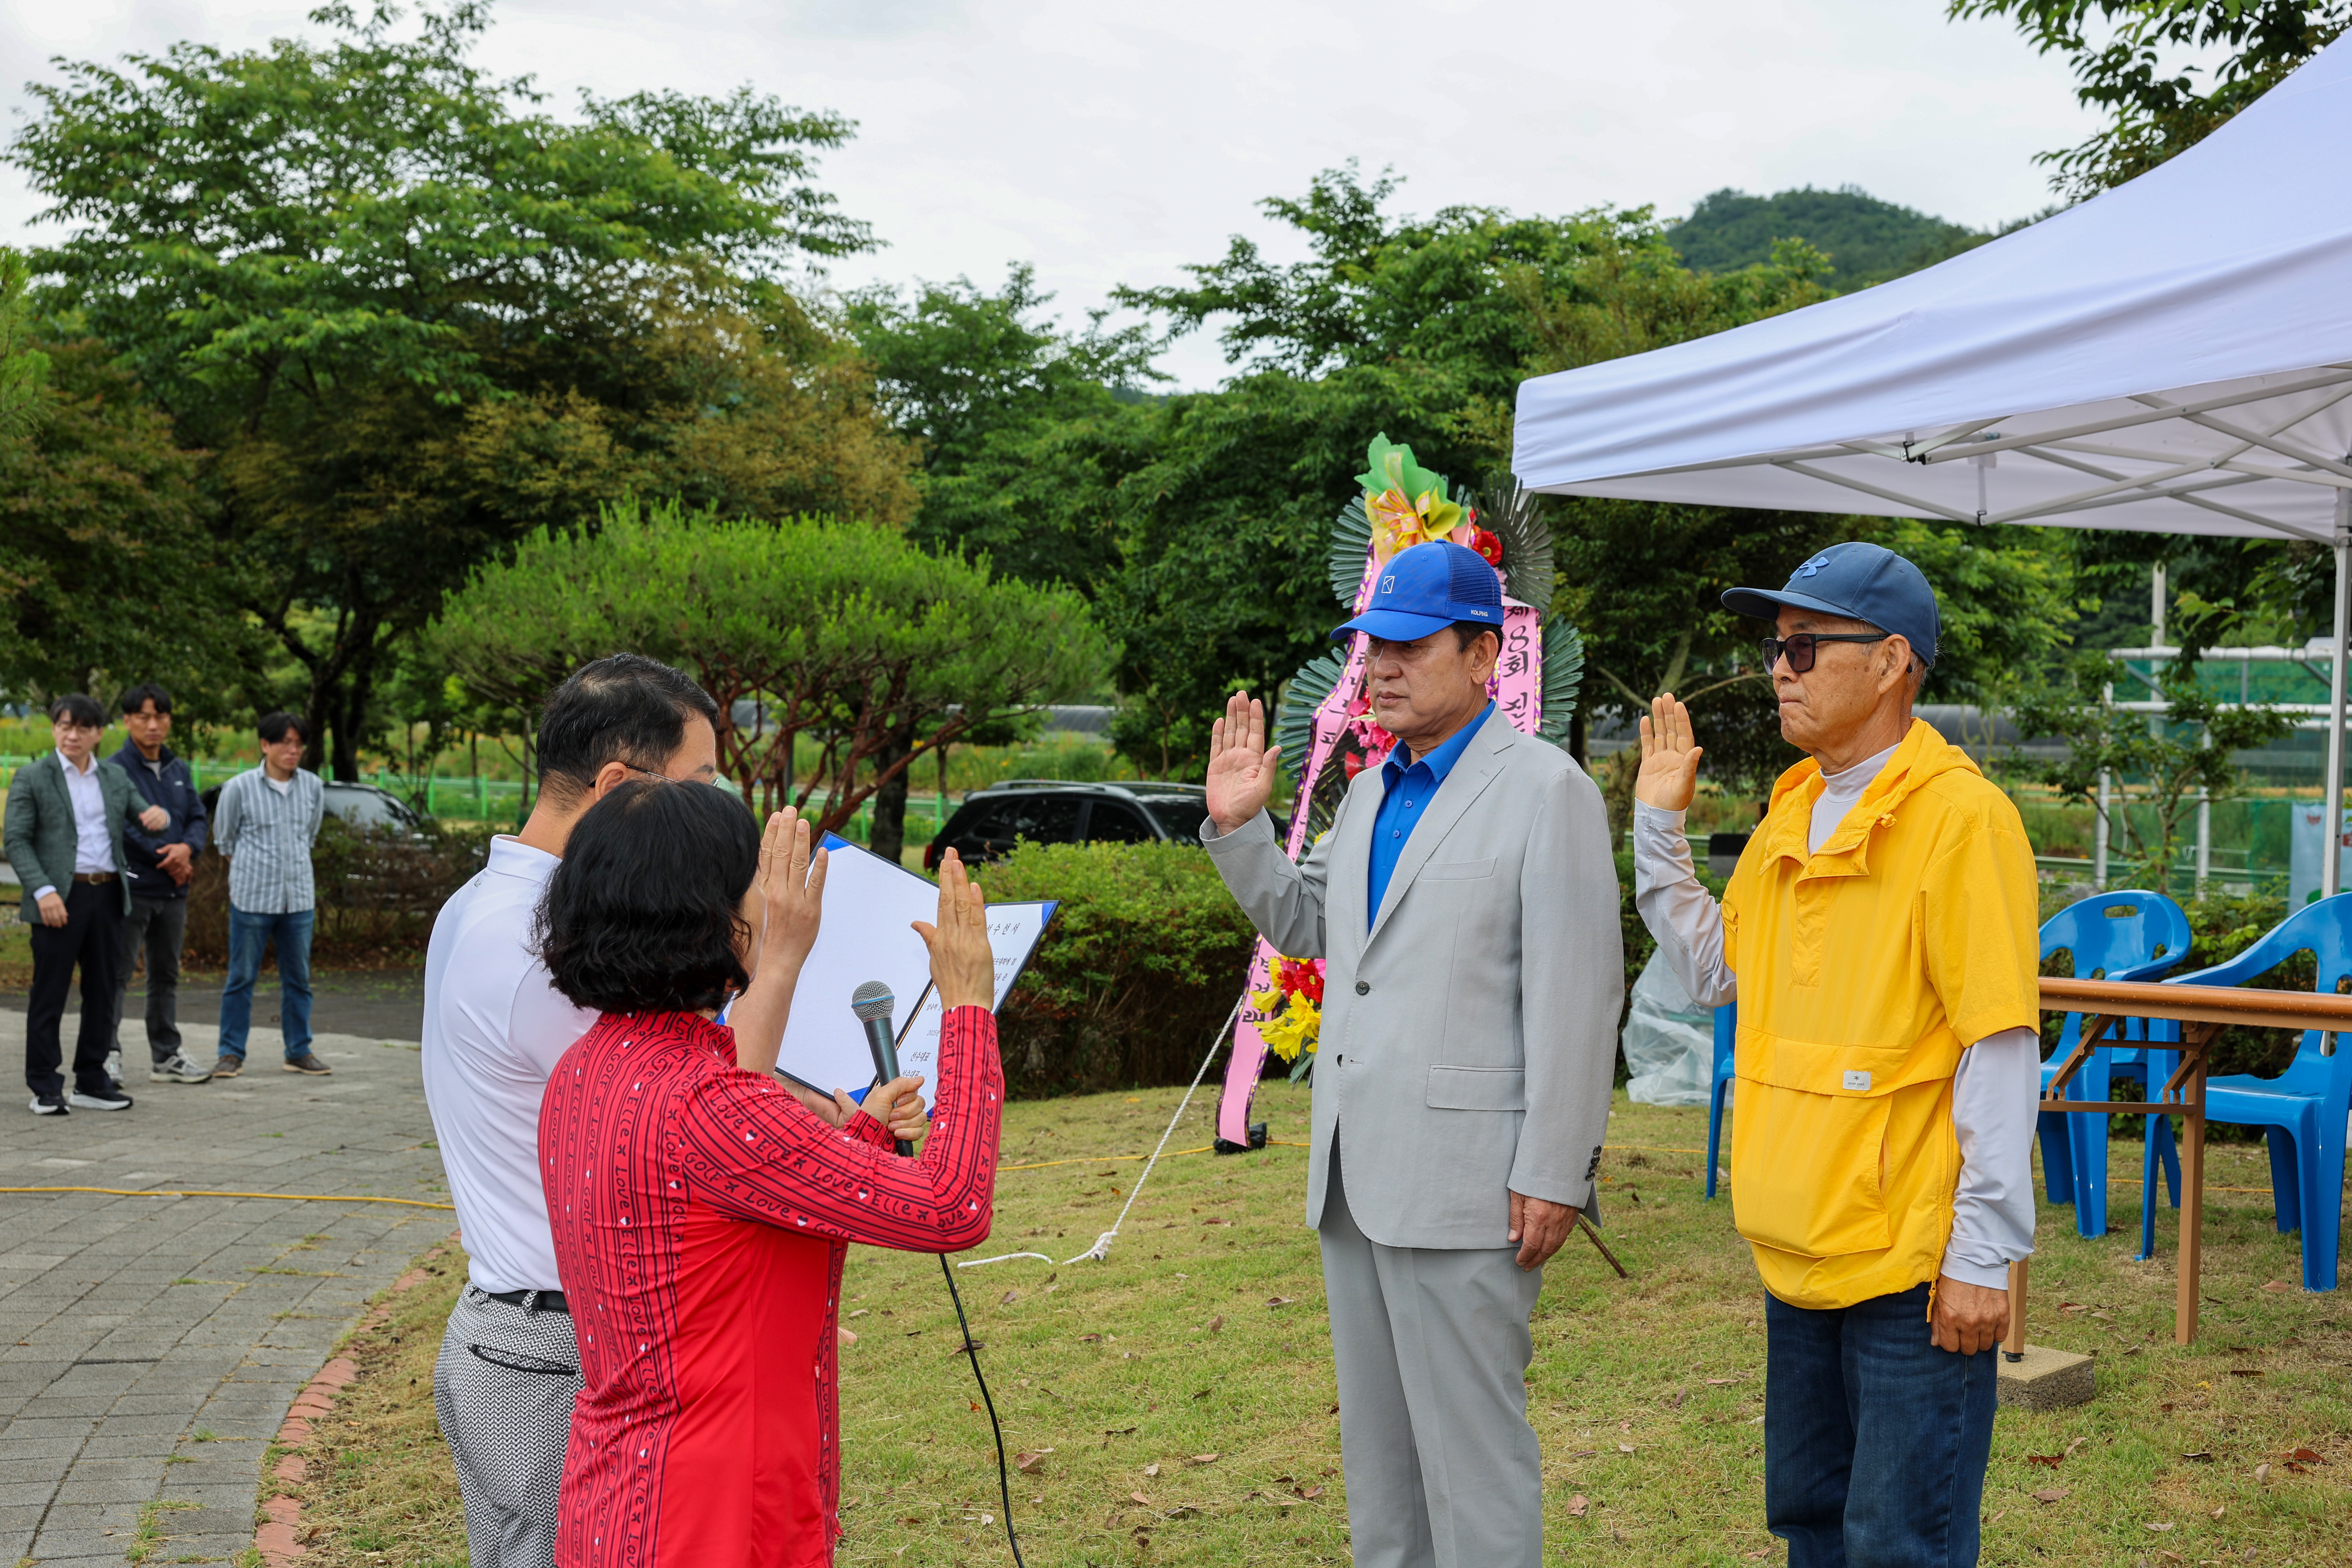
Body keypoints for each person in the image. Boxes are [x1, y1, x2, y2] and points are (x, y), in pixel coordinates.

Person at [423, 653, 928, 1568]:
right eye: (699, 784)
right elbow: (707, 1113)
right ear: (623, 788)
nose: (712, 811)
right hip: (563, 1347)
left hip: (549, 1329)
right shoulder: (535, 944)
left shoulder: (484, 903)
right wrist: (777, 956)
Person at [1200, 537, 1623, 1568]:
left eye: (1408, 645)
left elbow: (1580, 993)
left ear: (1483, 655)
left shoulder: (1547, 790)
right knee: (1381, 1466)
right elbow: (1310, 925)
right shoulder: (1371, 791)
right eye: (1371, 645)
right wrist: (1239, 829)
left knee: (1472, 1467)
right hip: (1354, 1178)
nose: (1381, 667)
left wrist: (1554, 1169)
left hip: (1471, 1185)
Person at [1633, 541, 2039, 1568]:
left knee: (1898, 1540)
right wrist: (1657, 831)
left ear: (1893, 660)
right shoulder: (1791, 807)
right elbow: (1716, 971)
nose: (1781, 669)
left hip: (1910, 1267)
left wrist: (1982, 1255)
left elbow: (1998, 1045)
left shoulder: (1964, 822)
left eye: (1806, 646)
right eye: (1777, 648)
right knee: (1810, 1520)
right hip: (1797, 1246)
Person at [535, 783, 1002, 1568]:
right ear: (714, 916)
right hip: (712, 1519)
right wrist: (969, 1009)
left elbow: (723, 1225)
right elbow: (951, 1206)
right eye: (752, 882)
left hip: (618, 1501)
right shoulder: (708, 1103)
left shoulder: (584, 1069)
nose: (769, 901)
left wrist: (861, 1133)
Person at [6, 694, 170, 1114]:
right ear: (54, 729)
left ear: (98, 733)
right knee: (50, 993)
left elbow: (145, 818)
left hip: (109, 894)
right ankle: (45, 1085)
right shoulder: (33, 777)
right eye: (64, 726)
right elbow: (16, 840)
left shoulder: (113, 777)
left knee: (103, 990)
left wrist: (160, 818)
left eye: (82, 728)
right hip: (59, 897)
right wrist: (43, 891)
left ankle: (92, 1081)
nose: (72, 735)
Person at [108, 681, 213, 1086]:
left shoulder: (178, 769)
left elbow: (197, 817)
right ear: (128, 720)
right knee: (117, 974)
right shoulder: (115, 769)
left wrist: (187, 850)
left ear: (169, 721)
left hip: (174, 890)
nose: (153, 725)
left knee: (166, 974)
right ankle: (106, 1054)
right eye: (144, 717)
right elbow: (121, 824)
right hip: (133, 887)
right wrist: (168, 857)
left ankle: (166, 1055)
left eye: (160, 717)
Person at [211, 711, 327, 1077]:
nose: (294, 750)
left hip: (299, 898)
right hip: (252, 899)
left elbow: (309, 835)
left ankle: (299, 1051)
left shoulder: (313, 787)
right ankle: (231, 1054)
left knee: (299, 980)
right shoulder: (239, 788)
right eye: (285, 743)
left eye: (299, 744)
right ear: (265, 745)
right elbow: (225, 841)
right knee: (241, 978)